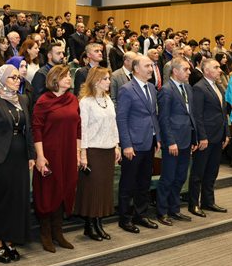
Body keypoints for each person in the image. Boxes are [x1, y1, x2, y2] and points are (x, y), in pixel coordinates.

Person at [0, 65, 36, 263]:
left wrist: (31, 154)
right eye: (13, 77)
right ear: (2, 79)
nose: (17, 80)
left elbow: (29, 130)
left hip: (20, 157)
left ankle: (10, 240)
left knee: (17, 200)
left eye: (18, 77)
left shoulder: (23, 99)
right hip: (0, 159)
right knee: (2, 201)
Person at [32, 65, 81, 251]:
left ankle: (58, 232)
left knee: (65, 188)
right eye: (64, 76)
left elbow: (78, 128)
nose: (69, 78)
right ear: (54, 80)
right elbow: (36, 129)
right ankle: (45, 234)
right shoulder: (43, 101)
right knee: (48, 192)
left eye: (69, 75)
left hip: (68, 153)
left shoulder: (73, 99)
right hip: (49, 154)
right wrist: (40, 156)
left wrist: (77, 152)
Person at [115, 55, 160, 233]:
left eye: (151, 65)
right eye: (147, 66)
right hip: (133, 145)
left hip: (149, 142)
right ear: (136, 69)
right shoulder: (127, 89)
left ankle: (140, 215)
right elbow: (122, 118)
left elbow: (153, 115)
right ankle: (125, 218)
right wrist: (126, 144)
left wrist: (158, 138)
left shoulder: (151, 87)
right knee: (128, 183)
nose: (151, 69)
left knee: (144, 182)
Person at [77, 67, 120, 240]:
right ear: (96, 81)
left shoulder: (108, 99)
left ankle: (98, 223)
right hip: (93, 150)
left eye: (109, 78)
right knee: (93, 189)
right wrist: (83, 154)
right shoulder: (85, 102)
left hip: (108, 150)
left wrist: (116, 145)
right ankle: (90, 224)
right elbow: (83, 129)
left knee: (104, 189)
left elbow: (113, 124)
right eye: (106, 79)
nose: (109, 82)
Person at [155, 57, 197, 225]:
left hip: (186, 139)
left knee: (180, 177)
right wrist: (170, 141)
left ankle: (174, 209)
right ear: (175, 71)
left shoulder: (188, 88)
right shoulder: (166, 90)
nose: (189, 72)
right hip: (173, 142)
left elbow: (190, 115)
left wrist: (194, 138)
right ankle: (162, 212)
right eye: (186, 69)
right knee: (168, 178)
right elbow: (163, 119)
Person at [190, 57, 230, 216]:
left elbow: (223, 113)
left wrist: (227, 133)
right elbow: (197, 115)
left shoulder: (219, 87)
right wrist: (202, 137)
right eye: (216, 67)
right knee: (198, 173)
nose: (220, 70)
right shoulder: (199, 88)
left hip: (218, 136)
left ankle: (208, 202)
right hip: (206, 137)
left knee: (212, 172)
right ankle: (194, 204)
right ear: (206, 70)